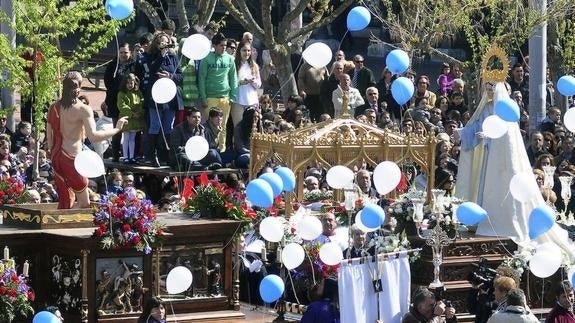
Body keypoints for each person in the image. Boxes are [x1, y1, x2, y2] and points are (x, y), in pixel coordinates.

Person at [47, 71, 128, 209]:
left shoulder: (53, 108)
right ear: (78, 88)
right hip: (73, 159)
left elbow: (50, 138)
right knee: (84, 203)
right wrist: (116, 129)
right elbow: (94, 136)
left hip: (57, 157)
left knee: (66, 200)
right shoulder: (83, 109)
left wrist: (53, 156)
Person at [198, 32, 238, 152]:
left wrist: (232, 97)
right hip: (210, 98)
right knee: (209, 126)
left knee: (223, 126)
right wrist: (203, 98)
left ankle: (222, 151)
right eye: (221, 45)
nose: (224, 48)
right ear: (214, 46)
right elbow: (201, 78)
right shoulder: (206, 59)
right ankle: (208, 151)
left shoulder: (230, 59)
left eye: (225, 45)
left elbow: (233, 78)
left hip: (225, 98)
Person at [117, 73, 144, 163]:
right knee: (126, 138)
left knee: (132, 138)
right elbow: (122, 106)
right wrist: (132, 114)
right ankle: (125, 157)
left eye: (131, 83)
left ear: (134, 83)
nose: (129, 85)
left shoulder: (138, 93)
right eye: (127, 83)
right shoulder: (121, 93)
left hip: (135, 120)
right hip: (126, 119)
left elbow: (141, 103)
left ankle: (132, 156)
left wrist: (139, 113)